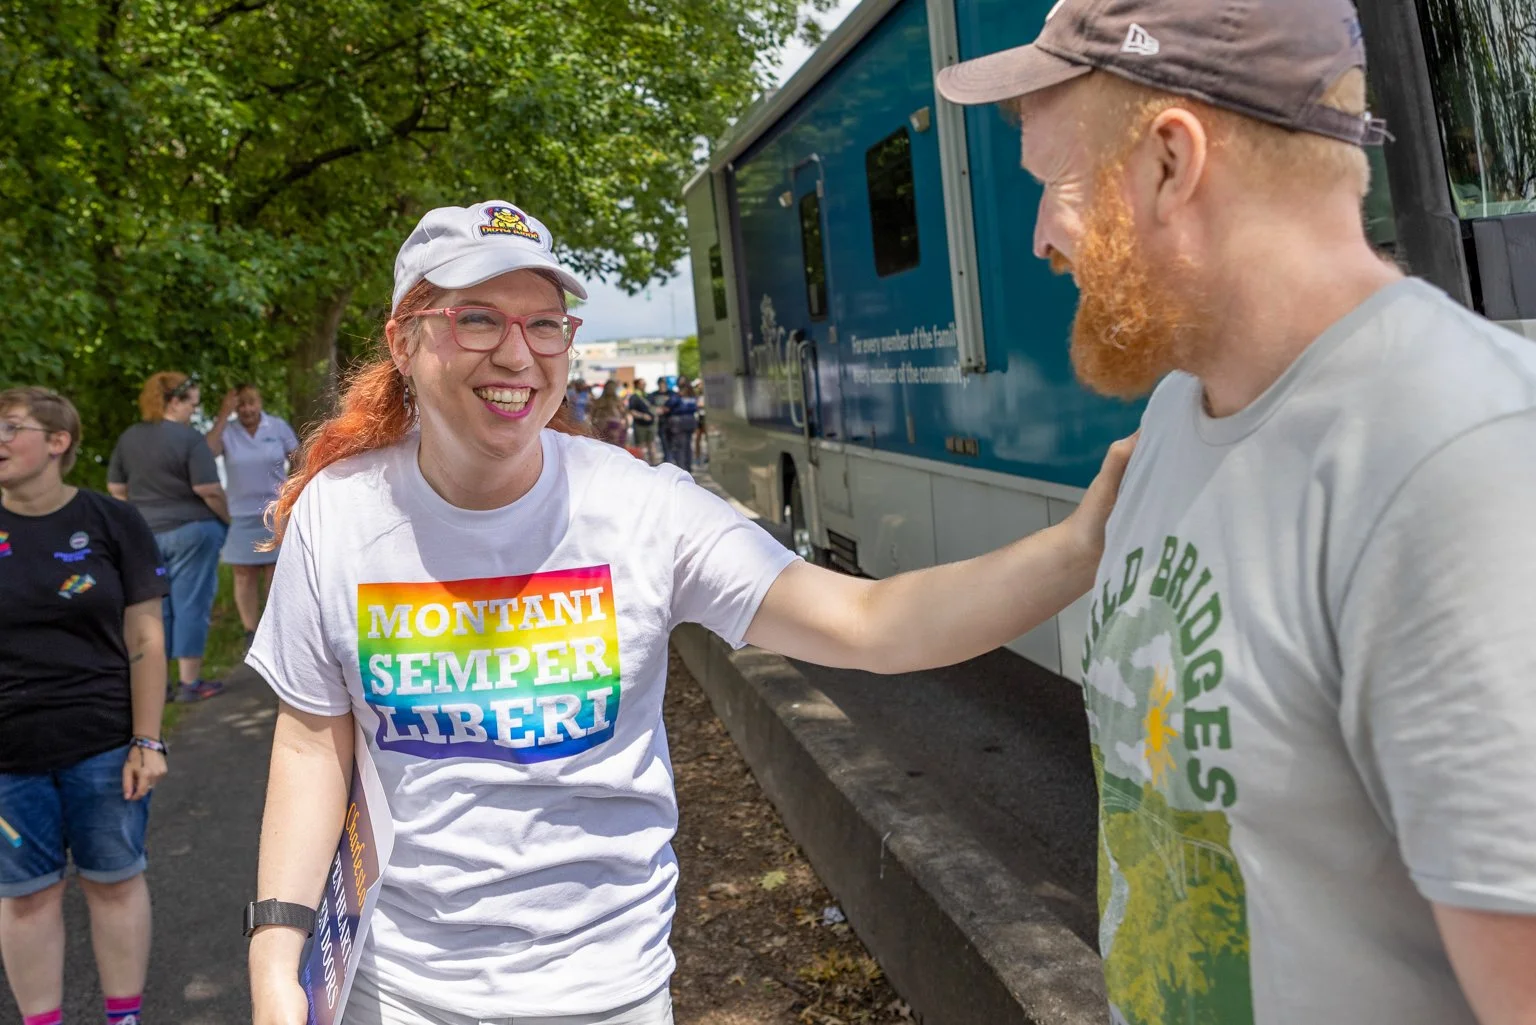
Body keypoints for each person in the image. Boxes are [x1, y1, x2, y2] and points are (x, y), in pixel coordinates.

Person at [243, 199, 1133, 1025]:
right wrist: (275, 957)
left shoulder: (641, 509)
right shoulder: (341, 512)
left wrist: (1077, 549)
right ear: (404, 340)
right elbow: (311, 741)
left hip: (607, 993)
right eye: (478, 318)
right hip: (397, 992)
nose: (518, 354)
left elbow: (873, 624)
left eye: (544, 322)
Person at [936, 3, 1536, 1024]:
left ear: (1173, 162)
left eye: (1052, 187)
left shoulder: (1462, 461)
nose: (1040, 240)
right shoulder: (1180, 410)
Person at [0, 387, 170, 1025]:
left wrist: (148, 742)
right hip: (8, 761)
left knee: (115, 882)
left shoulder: (111, 522)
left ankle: (122, 1018)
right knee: (23, 900)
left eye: (10, 427)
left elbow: (146, 637)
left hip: (105, 748)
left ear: (57, 441)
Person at [108, 372, 229, 702]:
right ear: (174, 401)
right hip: (192, 532)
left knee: (156, 608)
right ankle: (190, 683)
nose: (194, 409)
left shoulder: (129, 438)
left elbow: (117, 489)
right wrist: (226, 518)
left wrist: (134, 520)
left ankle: (158, 684)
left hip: (146, 536)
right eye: (192, 402)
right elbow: (208, 488)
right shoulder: (189, 439)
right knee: (191, 602)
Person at [206, 385, 301, 651]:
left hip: (274, 512)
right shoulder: (228, 430)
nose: (247, 410)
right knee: (243, 574)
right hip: (239, 513)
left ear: (260, 403)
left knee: (275, 571)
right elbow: (208, 452)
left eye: (251, 403)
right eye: (241, 405)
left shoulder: (277, 427)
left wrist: (293, 490)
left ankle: (276, 628)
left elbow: (300, 458)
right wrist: (223, 415)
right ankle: (250, 629)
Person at [659, 380, 700, 472]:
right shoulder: (692, 397)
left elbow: (666, 407)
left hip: (678, 423)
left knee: (679, 446)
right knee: (688, 445)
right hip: (690, 421)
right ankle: (688, 466)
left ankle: (682, 468)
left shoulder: (676, 397)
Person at [586, 380, 629, 447]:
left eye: (612, 387)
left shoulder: (617, 401)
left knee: (612, 446)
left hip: (613, 426)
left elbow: (624, 414)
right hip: (602, 426)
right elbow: (592, 414)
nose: (610, 389)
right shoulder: (600, 401)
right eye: (609, 387)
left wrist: (626, 425)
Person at [626, 378, 657, 463]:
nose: (644, 385)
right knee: (641, 446)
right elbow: (631, 411)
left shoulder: (649, 395)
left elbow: (654, 408)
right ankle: (642, 465)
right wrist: (642, 416)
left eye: (645, 383)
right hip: (640, 425)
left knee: (652, 445)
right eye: (642, 384)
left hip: (651, 424)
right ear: (637, 385)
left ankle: (654, 465)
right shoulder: (634, 397)